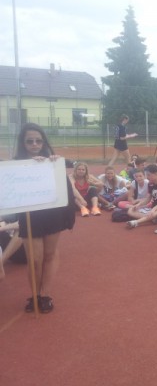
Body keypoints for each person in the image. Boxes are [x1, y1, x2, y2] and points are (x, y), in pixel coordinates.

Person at [14, 123, 76, 313]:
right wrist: (29, 166)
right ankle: (34, 295)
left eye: (38, 141)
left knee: (49, 255)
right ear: (23, 143)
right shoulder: (15, 164)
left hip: (52, 214)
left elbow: (63, 189)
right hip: (29, 216)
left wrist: (54, 165)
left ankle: (45, 295)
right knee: (34, 260)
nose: (34, 144)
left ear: (43, 142)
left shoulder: (53, 161)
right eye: (30, 141)